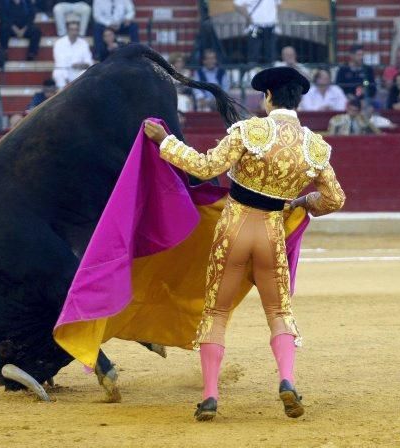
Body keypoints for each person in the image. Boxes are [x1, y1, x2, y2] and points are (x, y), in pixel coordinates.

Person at [142, 66, 345, 421]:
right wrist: (302, 203)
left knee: (216, 313)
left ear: (268, 96)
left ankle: (209, 397)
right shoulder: (315, 146)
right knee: (279, 313)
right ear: (297, 100)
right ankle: (286, 379)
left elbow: (205, 168)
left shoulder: (249, 131)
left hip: (234, 228)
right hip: (271, 233)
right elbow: (335, 199)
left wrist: (165, 141)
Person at [234, 0, 279, 64]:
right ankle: (253, 71)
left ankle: (270, 70)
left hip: (270, 28)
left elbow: (278, 5)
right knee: (253, 54)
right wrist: (248, 17)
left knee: (270, 55)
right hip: (255, 28)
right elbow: (237, 5)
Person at [52, 21, 93, 88]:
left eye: (76, 30)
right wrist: (67, 79)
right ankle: (63, 94)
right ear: (68, 31)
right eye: (72, 30)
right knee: (58, 73)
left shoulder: (84, 43)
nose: (74, 32)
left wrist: (80, 65)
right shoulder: (59, 43)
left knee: (85, 73)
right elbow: (60, 63)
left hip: (78, 72)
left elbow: (89, 62)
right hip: (64, 71)